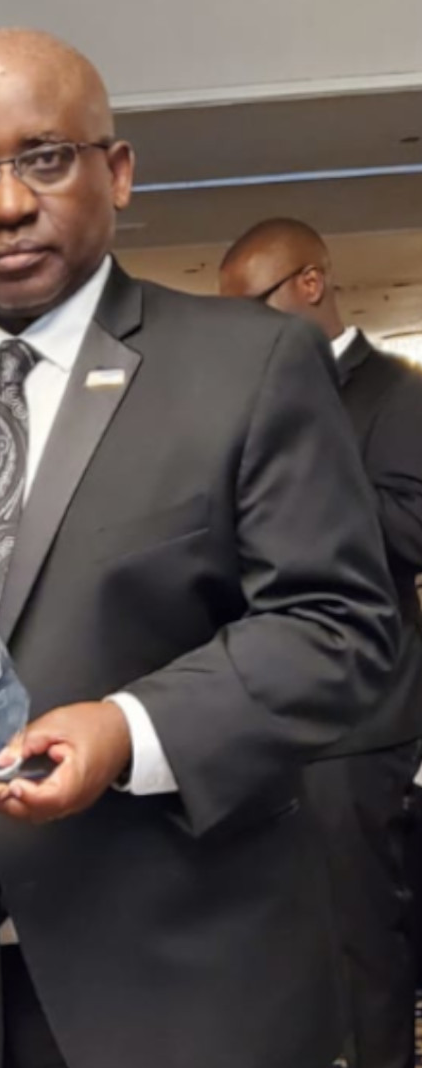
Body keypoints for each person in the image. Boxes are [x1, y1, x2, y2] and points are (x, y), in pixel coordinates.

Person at [0, 29, 400, 1068]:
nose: (7, 202)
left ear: (118, 169)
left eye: (45, 157)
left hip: (187, 983)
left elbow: (338, 627)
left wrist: (129, 731)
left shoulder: (249, 365)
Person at [220, 218, 422, 1068]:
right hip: (261, 723)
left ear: (311, 284)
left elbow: (409, 532)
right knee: (281, 951)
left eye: (256, 310)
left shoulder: (399, 394)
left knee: (363, 949)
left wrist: (301, 475)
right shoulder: (244, 404)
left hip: (358, 728)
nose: (246, 338)